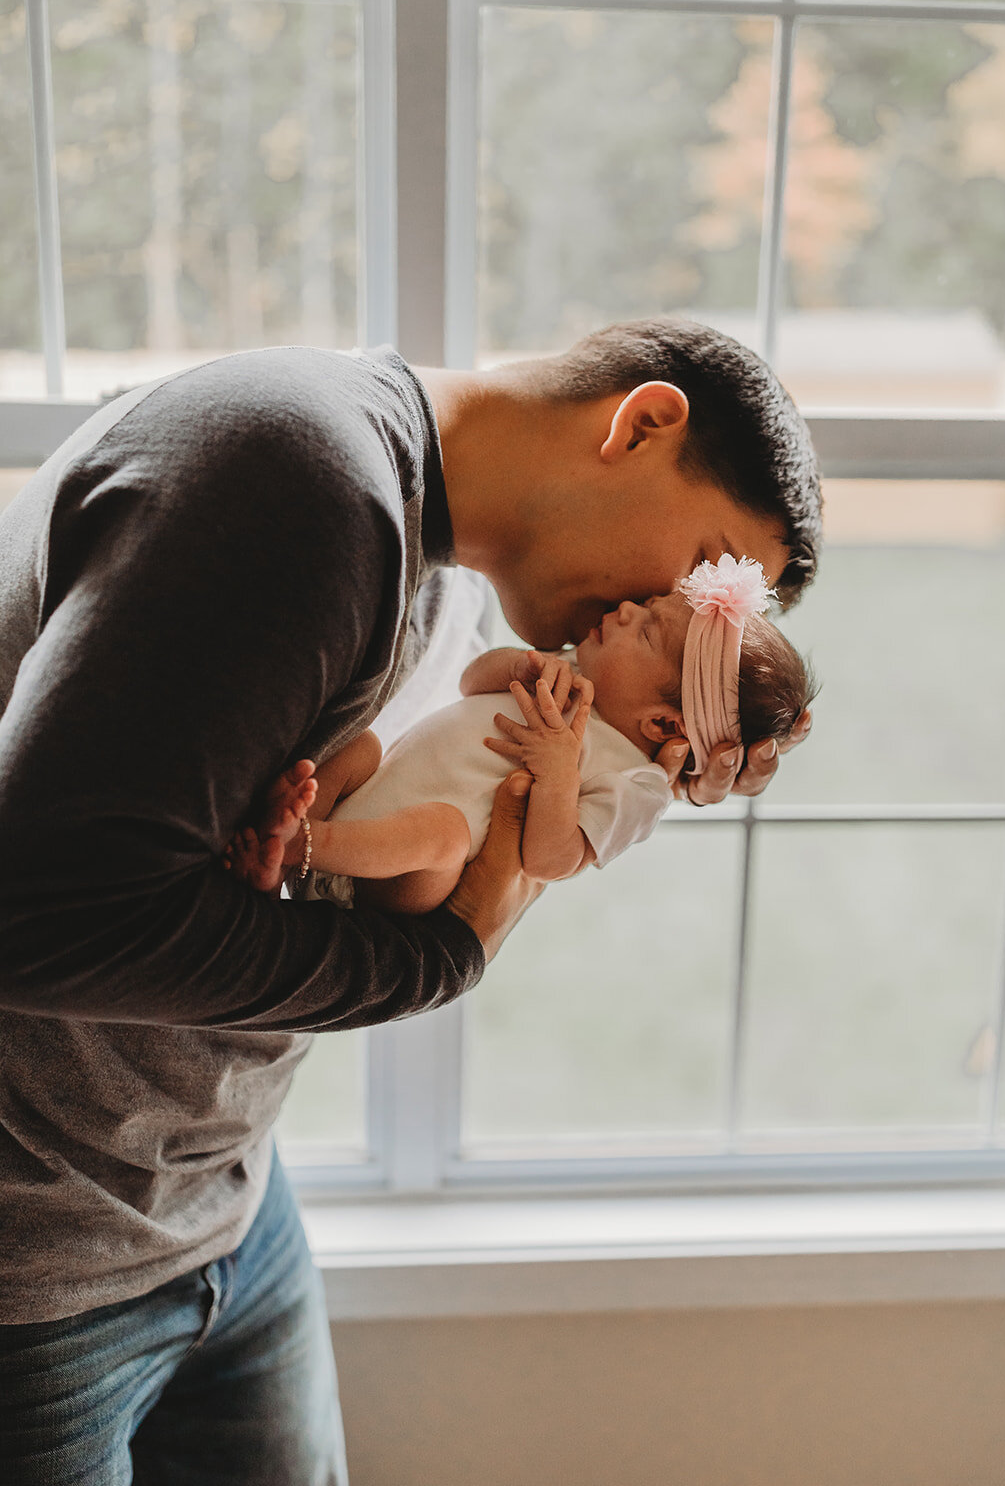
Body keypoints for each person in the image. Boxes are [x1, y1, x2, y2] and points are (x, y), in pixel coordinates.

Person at [0, 318, 821, 1483]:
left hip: (225, 1204)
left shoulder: (441, 599)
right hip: (35, 1265)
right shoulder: (295, 478)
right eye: (698, 572)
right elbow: (39, 913)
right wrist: (435, 961)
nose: (673, 614)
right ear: (640, 424)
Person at [226, 555, 815, 913]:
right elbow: (469, 683)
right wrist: (518, 667)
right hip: (370, 802)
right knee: (362, 745)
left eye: (648, 631)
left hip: (403, 884)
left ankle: (303, 843)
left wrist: (559, 773)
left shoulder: (637, 784)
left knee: (446, 834)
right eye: (648, 604)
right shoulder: (569, 673)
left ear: (663, 723)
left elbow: (553, 859)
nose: (629, 609)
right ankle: (277, 867)